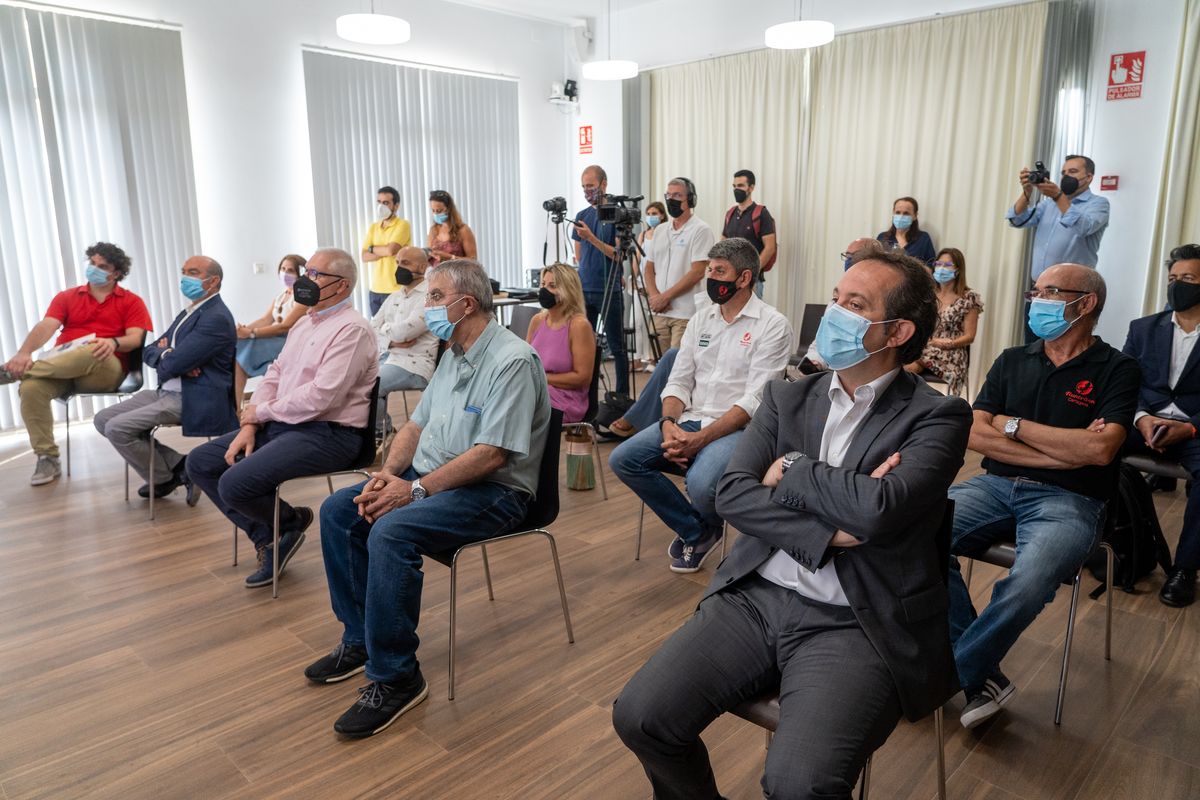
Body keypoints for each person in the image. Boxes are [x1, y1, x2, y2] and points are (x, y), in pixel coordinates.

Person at [613, 248, 972, 800]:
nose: (834, 313)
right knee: (641, 717)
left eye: (855, 305)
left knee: (799, 785)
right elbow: (732, 494)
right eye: (835, 298)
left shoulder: (938, 415)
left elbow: (880, 510)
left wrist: (794, 470)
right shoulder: (786, 397)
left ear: (898, 331)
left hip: (858, 620)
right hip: (755, 598)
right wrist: (830, 532)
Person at [305, 258, 551, 739]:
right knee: (339, 511)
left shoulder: (513, 361)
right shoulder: (453, 352)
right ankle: (361, 638)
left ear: (467, 303)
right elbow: (416, 425)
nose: (427, 306)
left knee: (392, 531)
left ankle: (397, 676)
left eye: (435, 297)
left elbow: (492, 455)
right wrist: (389, 474)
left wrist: (414, 490)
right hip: (434, 475)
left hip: (495, 491)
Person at [947, 264, 1138, 730]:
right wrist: (1065, 451)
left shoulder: (1119, 369)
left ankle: (951, 673)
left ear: (1085, 303)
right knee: (914, 533)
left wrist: (1010, 424)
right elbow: (973, 432)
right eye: (1035, 292)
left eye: (1049, 292)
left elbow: (1100, 450)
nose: (1036, 301)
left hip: (1072, 500)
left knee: (1029, 582)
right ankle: (982, 677)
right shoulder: (1013, 358)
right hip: (994, 486)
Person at [186, 248, 378, 588]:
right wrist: (251, 423)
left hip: (330, 434)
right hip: (284, 424)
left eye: (316, 274)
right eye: (308, 272)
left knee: (234, 484)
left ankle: (287, 524)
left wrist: (261, 412)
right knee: (200, 463)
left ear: (342, 286)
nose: (306, 280)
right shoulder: (303, 323)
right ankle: (273, 535)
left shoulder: (353, 330)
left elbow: (322, 397)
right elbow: (275, 373)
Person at [610, 238, 792, 573]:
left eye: (719, 271)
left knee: (701, 483)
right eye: (709, 269)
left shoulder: (772, 324)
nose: (710, 277)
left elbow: (754, 401)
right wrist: (668, 425)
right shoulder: (701, 319)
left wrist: (700, 440)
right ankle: (698, 530)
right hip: (690, 419)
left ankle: (699, 527)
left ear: (744, 278)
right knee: (624, 459)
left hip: (739, 429)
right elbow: (678, 381)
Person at [0, 242, 153, 486]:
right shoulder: (67, 297)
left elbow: (135, 338)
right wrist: (23, 353)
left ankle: (16, 373)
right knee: (30, 388)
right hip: (62, 369)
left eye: (103, 266)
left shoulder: (131, 301)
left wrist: (112, 342)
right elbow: (47, 326)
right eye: (92, 263)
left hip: (104, 369)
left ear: (116, 273)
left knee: (94, 347)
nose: (94, 269)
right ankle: (47, 457)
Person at [93, 256, 237, 501]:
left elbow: (173, 364)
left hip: (194, 396)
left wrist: (170, 357)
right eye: (184, 271)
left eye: (193, 272)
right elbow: (150, 350)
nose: (185, 278)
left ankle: (163, 478)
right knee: (102, 419)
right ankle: (180, 467)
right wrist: (169, 355)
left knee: (117, 428)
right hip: (167, 390)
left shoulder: (216, 317)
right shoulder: (191, 311)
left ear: (213, 281)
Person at [1121, 243, 1200, 607]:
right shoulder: (1143, 328)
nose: (1177, 285)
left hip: (1194, 430)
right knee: (1093, 447)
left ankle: (1185, 568)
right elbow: (1124, 383)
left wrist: (1192, 427)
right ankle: (1115, 546)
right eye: (1172, 278)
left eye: (1188, 279)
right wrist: (1141, 418)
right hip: (1146, 422)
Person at [572, 165, 629, 397]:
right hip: (585, 289)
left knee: (617, 347)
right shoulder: (581, 216)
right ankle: (588, 397)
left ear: (603, 184)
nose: (587, 191)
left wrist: (591, 238)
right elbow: (579, 256)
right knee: (585, 347)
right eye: (584, 187)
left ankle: (622, 396)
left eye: (591, 186)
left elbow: (619, 255)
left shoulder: (617, 214)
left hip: (609, 290)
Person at [371, 246, 439, 437]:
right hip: (388, 356)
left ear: (423, 267)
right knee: (354, 379)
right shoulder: (395, 296)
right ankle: (376, 432)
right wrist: (391, 342)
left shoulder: (431, 296)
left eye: (406, 263)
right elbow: (371, 329)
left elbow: (405, 332)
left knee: (371, 386)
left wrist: (385, 330)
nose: (399, 267)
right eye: (398, 263)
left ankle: (381, 433)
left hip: (414, 365)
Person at [1007, 155, 1110, 280]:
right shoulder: (1049, 204)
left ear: (1088, 177)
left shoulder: (1099, 204)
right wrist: (1026, 193)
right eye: (1063, 173)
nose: (1066, 176)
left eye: (1073, 171)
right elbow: (1017, 220)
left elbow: (1084, 228)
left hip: (1072, 286)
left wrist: (1058, 196)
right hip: (1039, 284)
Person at [643, 177, 716, 351]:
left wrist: (665, 297)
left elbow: (697, 272)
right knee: (659, 363)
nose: (671, 200)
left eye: (677, 195)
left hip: (685, 313)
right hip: (659, 311)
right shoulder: (660, 230)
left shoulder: (701, 229)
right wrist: (655, 297)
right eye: (668, 195)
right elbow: (649, 268)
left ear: (690, 200)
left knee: (679, 362)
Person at [904, 247, 983, 397]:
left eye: (947, 265)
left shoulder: (969, 298)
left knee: (910, 365)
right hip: (927, 347)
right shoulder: (929, 294)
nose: (941, 268)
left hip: (951, 353)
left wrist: (948, 343)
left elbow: (970, 336)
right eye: (939, 264)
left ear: (958, 270)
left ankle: (912, 403)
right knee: (902, 359)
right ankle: (912, 402)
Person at [234, 254, 308, 402]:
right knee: (238, 345)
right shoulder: (281, 296)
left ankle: (236, 408)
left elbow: (284, 326)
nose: (285, 273)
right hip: (276, 339)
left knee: (243, 350)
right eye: (283, 269)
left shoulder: (303, 296)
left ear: (300, 273)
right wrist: (241, 331)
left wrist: (251, 333)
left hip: (291, 341)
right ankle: (236, 407)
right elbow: (265, 320)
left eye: (290, 270)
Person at [527, 263, 595, 423]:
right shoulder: (537, 320)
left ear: (568, 290)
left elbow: (582, 378)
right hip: (536, 391)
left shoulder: (579, 325)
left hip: (565, 400)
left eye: (552, 286)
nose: (544, 290)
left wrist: (542, 378)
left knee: (513, 407)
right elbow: (526, 361)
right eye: (543, 284)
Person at [721, 170, 777, 298]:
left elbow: (770, 248)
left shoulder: (761, 213)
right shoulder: (730, 214)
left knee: (752, 311)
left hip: (752, 282)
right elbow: (723, 244)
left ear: (751, 188)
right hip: (730, 280)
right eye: (734, 186)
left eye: (740, 185)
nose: (736, 189)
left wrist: (751, 272)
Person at [362, 185, 413, 315]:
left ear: (396, 206)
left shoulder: (403, 225)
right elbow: (364, 256)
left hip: (396, 289)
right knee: (376, 327)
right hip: (375, 289)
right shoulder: (374, 227)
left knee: (396, 326)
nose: (381, 206)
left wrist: (372, 248)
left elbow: (390, 250)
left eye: (386, 203)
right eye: (379, 202)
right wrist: (383, 250)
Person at [629, 200, 668, 370]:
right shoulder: (643, 235)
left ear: (662, 215)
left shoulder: (665, 233)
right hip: (640, 284)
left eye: (655, 214)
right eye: (649, 214)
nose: (651, 217)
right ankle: (637, 358)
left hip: (656, 284)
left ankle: (652, 358)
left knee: (654, 323)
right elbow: (637, 258)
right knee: (636, 322)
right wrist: (633, 277)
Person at [876, 196, 936, 264]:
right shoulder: (882, 237)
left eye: (906, 213)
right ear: (893, 213)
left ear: (915, 216)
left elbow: (931, 264)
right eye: (898, 212)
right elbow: (875, 262)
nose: (901, 217)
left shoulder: (923, 238)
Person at [426, 189, 477, 264]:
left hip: (457, 271)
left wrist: (450, 257)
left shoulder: (463, 230)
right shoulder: (433, 230)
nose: (436, 214)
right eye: (433, 210)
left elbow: (473, 260)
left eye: (439, 211)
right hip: (436, 270)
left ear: (449, 209)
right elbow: (429, 255)